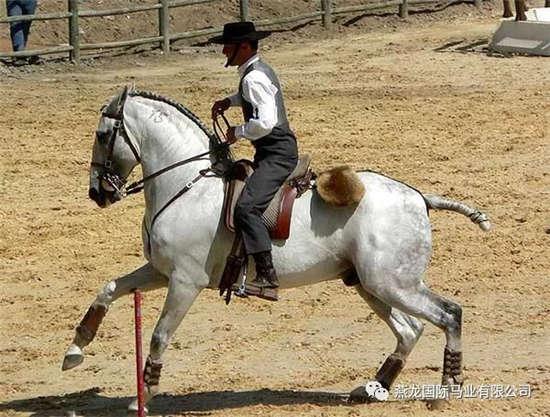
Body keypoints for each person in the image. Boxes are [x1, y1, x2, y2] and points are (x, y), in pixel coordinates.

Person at [210, 21, 298, 301]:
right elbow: (256, 98)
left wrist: (238, 132)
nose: (224, 50)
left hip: (277, 154)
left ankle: (267, 276)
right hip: (272, 151)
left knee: (247, 208)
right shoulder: (256, 71)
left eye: (228, 46)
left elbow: (266, 122)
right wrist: (230, 101)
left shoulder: (253, 77)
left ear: (244, 47)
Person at [6, 0, 38, 64]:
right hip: (13, 2)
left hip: (30, 2)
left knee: (26, 26)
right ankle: (20, 55)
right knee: (15, 24)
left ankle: (20, 52)